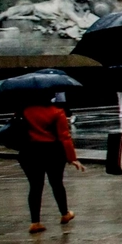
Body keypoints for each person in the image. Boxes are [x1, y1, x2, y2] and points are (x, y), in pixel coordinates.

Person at [20, 92, 84, 233]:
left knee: (35, 187)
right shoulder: (56, 112)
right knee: (57, 184)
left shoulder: (24, 110)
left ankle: (35, 222)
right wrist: (72, 158)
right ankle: (64, 213)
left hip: (29, 152)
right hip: (52, 152)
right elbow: (64, 137)